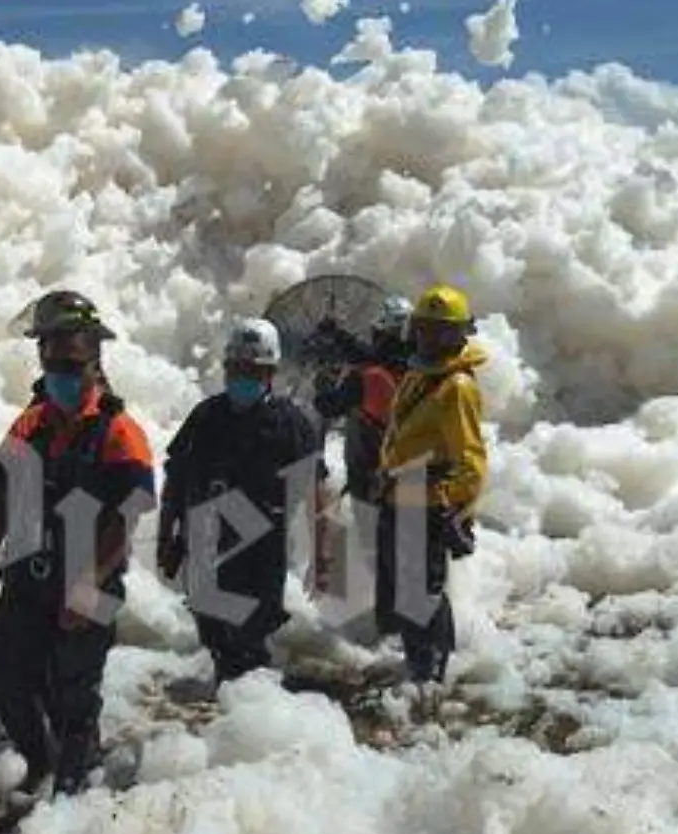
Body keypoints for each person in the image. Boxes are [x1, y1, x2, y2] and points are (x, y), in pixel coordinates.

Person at [0, 289, 156, 798]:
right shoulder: (31, 425)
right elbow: (3, 498)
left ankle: (74, 794)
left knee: (74, 693)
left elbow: (129, 515)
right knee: (6, 676)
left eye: (71, 360)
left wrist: (87, 584)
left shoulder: (119, 432)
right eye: (51, 358)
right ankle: (40, 764)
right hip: (29, 579)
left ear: (94, 357)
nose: (61, 370)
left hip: (88, 579)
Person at [157, 318, 333, 686]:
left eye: (253, 370)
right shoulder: (206, 417)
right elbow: (176, 479)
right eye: (236, 368)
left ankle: (254, 705)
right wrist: (168, 538)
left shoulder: (290, 424)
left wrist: (323, 555)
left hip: (260, 548)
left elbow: (316, 490)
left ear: (270, 373)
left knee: (249, 636)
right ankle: (234, 693)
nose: (243, 377)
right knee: (214, 633)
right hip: (205, 541)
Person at [376, 284, 487, 685]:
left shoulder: (456, 387)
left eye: (442, 332)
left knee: (421, 593)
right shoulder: (421, 374)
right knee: (408, 592)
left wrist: (454, 508)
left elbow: (471, 459)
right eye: (425, 329)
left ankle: (430, 674)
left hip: (427, 500)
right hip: (402, 492)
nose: (430, 339)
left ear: (460, 335)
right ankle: (421, 664)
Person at [313, 295, 413, 506]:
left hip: (372, 482)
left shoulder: (366, 377)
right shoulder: (423, 369)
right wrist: (339, 336)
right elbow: (368, 354)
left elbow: (327, 406)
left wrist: (325, 383)